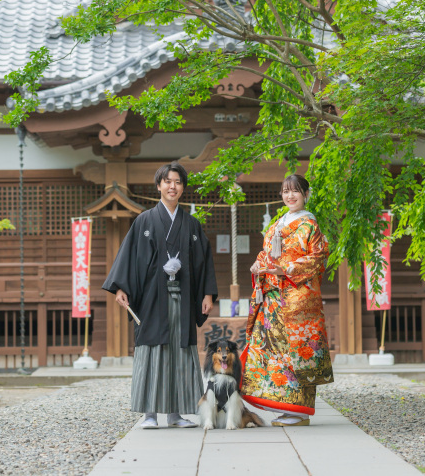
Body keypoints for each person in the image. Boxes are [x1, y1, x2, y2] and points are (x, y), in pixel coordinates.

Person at [102, 161, 218, 429]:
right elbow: (129, 257)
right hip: (153, 298)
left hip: (184, 298)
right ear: (159, 186)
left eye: (177, 182)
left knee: (180, 351)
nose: (172, 186)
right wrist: (121, 287)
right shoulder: (144, 220)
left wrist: (208, 293)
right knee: (152, 350)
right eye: (167, 181)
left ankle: (176, 414)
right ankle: (150, 413)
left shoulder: (191, 224)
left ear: (183, 188)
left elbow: (203, 261)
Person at [241, 174, 334, 426]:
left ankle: (300, 411)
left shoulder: (310, 224)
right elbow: (266, 252)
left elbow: (318, 257)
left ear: (306, 194)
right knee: (276, 353)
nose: (290, 196)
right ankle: (284, 404)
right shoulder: (277, 222)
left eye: (295, 191)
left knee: (298, 351)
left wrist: (289, 268)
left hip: (296, 298)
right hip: (272, 297)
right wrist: (258, 264)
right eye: (285, 191)